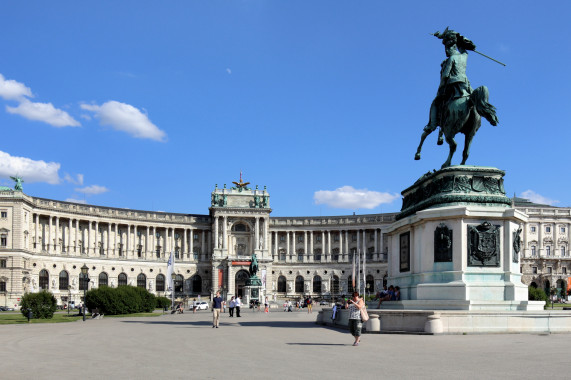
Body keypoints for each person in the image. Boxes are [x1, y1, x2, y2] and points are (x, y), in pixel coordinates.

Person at [416, 28, 476, 157]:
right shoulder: (464, 56)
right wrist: (459, 37)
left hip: (453, 86)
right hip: (466, 87)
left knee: (436, 103)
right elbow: (467, 47)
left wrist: (440, 90)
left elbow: (445, 77)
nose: (446, 51)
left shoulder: (451, 59)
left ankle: (431, 125)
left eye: (446, 48)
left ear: (449, 48)